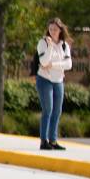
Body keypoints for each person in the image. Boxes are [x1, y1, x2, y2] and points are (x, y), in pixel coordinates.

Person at [35, 17, 74, 150]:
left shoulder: (64, 45)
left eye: (55, 29)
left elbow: (68, 64)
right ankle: (43, 141)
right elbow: (44, 62)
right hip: (44, 80)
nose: (52, 32)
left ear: (60, 30)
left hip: (58, 82)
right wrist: (50, 46)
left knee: (57, 111)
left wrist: (54, 65)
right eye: (50, 29)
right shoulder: (43, 43)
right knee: (48, 110)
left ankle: (53, 140)